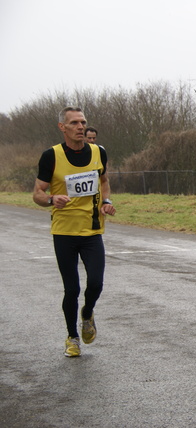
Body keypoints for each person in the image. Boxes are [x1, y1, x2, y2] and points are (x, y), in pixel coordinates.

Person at [33, 107, 116, 357]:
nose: (81, 127)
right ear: (63, 127)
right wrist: (50, 200)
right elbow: (37, 193)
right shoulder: (51, 156)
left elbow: (104, 181)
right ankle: (72, 337)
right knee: (71, 289)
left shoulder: (98, 152)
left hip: (92, 231)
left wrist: (106, 201)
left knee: (96, 283)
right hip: (64, 232)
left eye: (83, 122)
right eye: (75, 123)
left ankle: (87, 312)